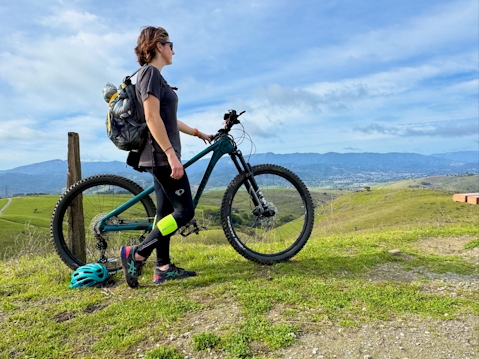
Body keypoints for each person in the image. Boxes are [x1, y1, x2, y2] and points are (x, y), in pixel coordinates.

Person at [120, 26, 212, 288]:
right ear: (159, 46)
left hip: (161, 154)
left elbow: (167, 117)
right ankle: (136, 254)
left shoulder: (155, 77)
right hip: (160, 155)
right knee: (185, 211)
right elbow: (151, 117)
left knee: (165, 213)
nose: (174, 49)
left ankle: (162, 267)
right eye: (170, 44)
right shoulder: (149, 73)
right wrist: (171, 155)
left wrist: (197, 133)